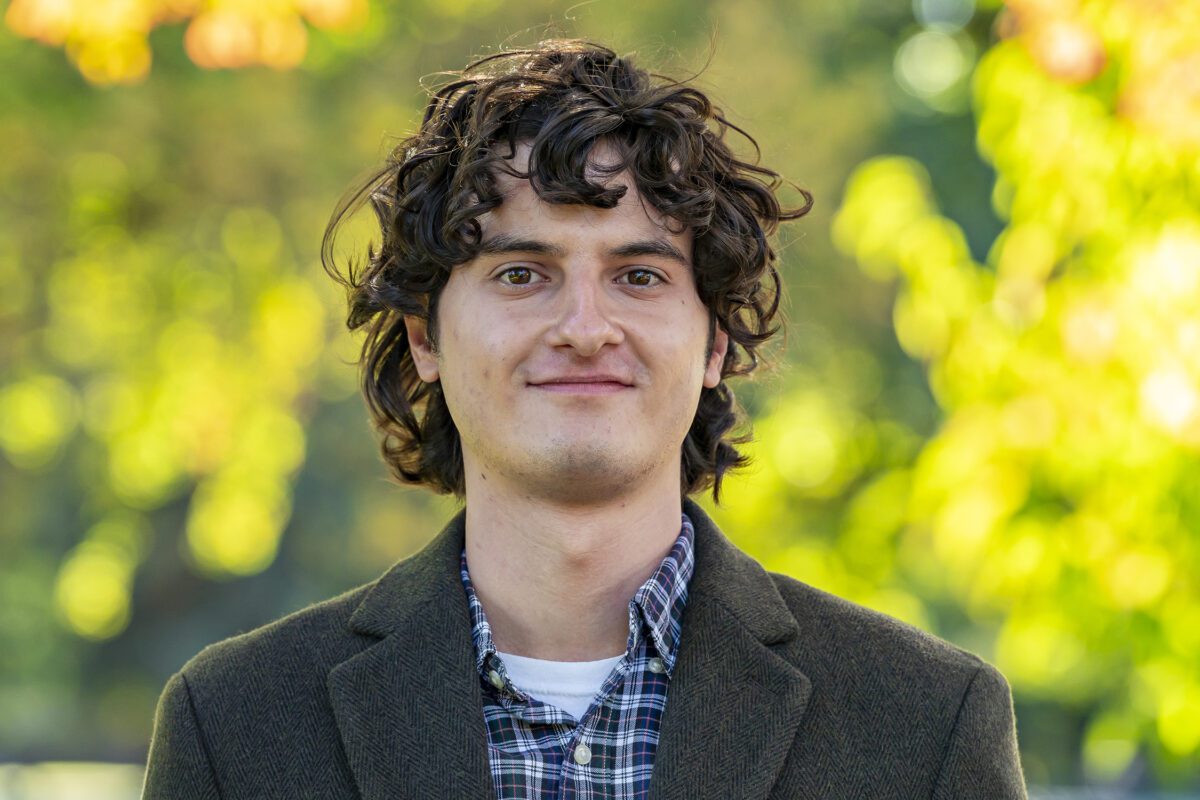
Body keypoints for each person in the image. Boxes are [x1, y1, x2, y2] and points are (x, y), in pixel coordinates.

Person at [141, 39, 1027, 799]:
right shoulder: (235, 728)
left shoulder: (925, 729)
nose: (584, 329)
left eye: (639, 276)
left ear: (714, 342)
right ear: (426, 338)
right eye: (522, 273)